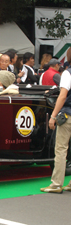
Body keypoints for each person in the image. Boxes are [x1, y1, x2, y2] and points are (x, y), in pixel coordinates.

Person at [41, 47, 71, 193]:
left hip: (68, 115)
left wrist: (53, 116)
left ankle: (56, 184)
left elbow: (63, 95)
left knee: (61, 149)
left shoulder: (67, 73)